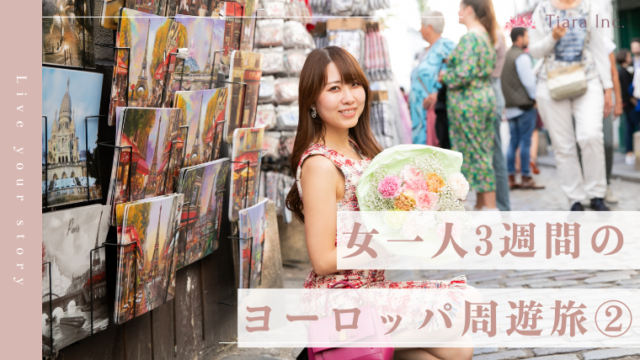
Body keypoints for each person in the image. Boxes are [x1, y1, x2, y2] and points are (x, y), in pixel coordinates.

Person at [286, 46, 476, 360]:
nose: (348, 97)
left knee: (453, 350)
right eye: (334, 89)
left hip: (371, 293)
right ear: (313, 103)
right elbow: (322, 260)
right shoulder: (320, 164)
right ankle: (327, 348)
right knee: (463, 305)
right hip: (340, 304)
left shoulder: (361, 150)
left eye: (354, 84)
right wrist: (393, 237)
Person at [528, 0, 613, 211]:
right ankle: (575, 198)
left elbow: (599, 49)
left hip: (588, 78)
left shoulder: (590, 8)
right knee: (562, 145)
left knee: (591, 134)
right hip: (551, 83)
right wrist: (553, 37)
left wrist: (608, 86)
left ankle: (597, 193)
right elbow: (534, 50)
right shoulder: (542, 10)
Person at [440, 0, 498, 211]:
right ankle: (482, 206)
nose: (458, 11)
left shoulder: (471, 38)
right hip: (481, 99)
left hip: (469, 102)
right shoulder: (484, 36)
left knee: (476, 154)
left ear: (469, 10)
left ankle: (490, 209)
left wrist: (444, 75)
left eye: (460, 7)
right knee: (481, 151)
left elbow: (463, 73)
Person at [502, 27, 545, 190]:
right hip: (524, 105)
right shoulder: (521, 57)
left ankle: (511, 177)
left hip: (511, 106)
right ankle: (526, 176)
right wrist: (536, 98)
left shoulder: (506, 56)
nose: (528, 40)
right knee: (525, 142)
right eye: (526, 36)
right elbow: (528, 82)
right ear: (519, 38)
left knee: (513, 142)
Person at [409, 11, 455, 146]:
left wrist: (438, 95)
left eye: (422, 25)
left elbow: (452, 74)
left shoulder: (447, 46)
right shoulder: (424, 51)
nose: (420, 29)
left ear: (429, 27)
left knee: (435, 152)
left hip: (433, 111)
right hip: (419, 114)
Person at [490, 26, 512, 209]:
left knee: (496, 155)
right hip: (491, 90)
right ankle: (499, 207)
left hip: (490, 89)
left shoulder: (493, 34)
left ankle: (502, 208)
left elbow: (483, 67)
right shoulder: (492, 33)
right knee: (493, 155)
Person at [618, 49, 640, 165]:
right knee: (633, 128)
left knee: (630, 128)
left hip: (628, 104)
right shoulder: (623, 72)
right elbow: (627, 90)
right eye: (628, 56)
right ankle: (630, 153)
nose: (630, 57)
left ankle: (630, 153)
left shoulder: (626, 70)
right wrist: (635, 102)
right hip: (630, 105)